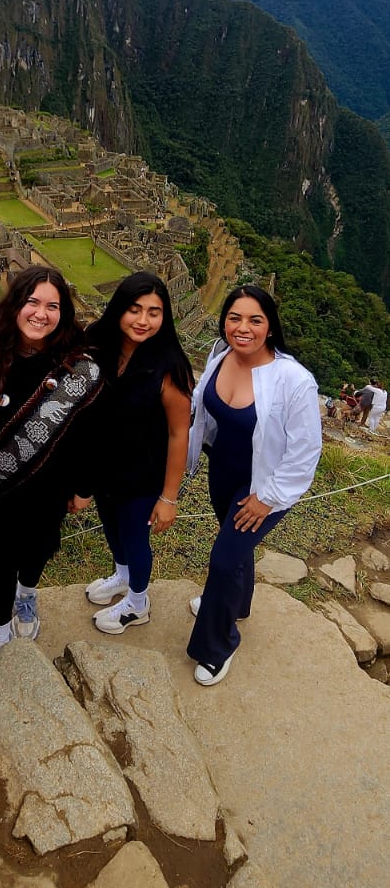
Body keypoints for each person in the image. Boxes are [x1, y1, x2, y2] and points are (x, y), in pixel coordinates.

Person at [186, 285, 322, 686]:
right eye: (234, 317)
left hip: (264, 483)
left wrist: (269, 499)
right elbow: (200, 405)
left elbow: (305, 451)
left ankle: (217, 644)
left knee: (225, 559)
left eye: (255, 320)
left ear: (270, 327)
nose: (242, 328)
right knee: (237, 548)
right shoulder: (219, 356)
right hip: (221, 470)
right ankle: (236, 604)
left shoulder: (293, 380)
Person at [0, 267, 102, 656]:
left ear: (64, 312)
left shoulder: (77, 365)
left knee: (39, 550)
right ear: (16, 305)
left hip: (50, 486)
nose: (41, 313)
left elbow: (90, 433)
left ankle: (27, 595)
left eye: (52, 306)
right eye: (33, 303)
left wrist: (83, 488)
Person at [81, 271, 193, 632]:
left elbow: (179, 434)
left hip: (142, 474)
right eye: (135, 309)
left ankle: (138, 602)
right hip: (103, 465)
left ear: (165, 316)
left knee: (133, 534)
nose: (143, 321)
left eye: (154, 312)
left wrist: (169, 497)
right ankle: (123, 576)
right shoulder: (98, 344)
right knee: (111, 528)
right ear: (118, 309)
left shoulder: (170, 368)